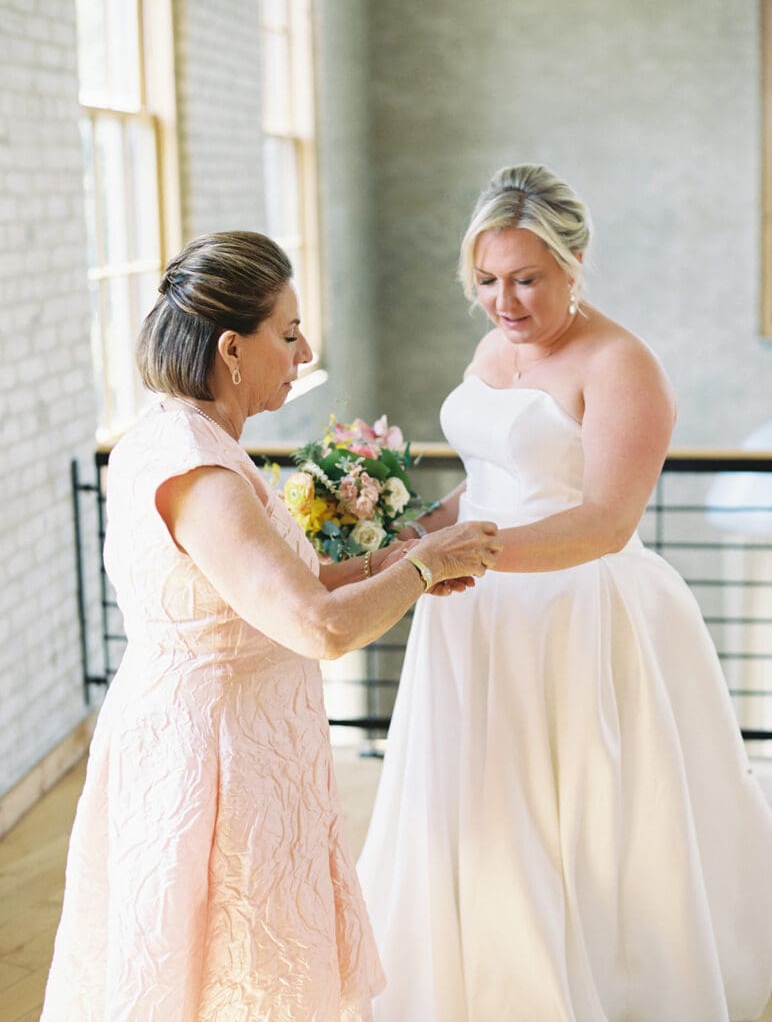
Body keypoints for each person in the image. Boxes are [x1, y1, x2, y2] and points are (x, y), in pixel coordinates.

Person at [41, 231, 501, 1022]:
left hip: (239, 739)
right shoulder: (201, 473)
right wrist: (423, 569)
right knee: (236, 976)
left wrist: (402, 559)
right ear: (231, 348)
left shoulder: (189, 438)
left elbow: (305, 584)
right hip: (216, 760)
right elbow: (318, 626)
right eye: (288, 334)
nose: (304, 348)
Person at [357, 165, 772, 1022]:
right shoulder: (490, 350)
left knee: (586, 818)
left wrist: (460, 554)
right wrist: (413, 530)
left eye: (525, 278)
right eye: (486, 280)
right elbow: (488, 480)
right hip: (472, 608)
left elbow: (605, 522)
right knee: (477, 804)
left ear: (576, 261)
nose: (503, 301)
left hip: (580, 614)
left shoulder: (624, 365)